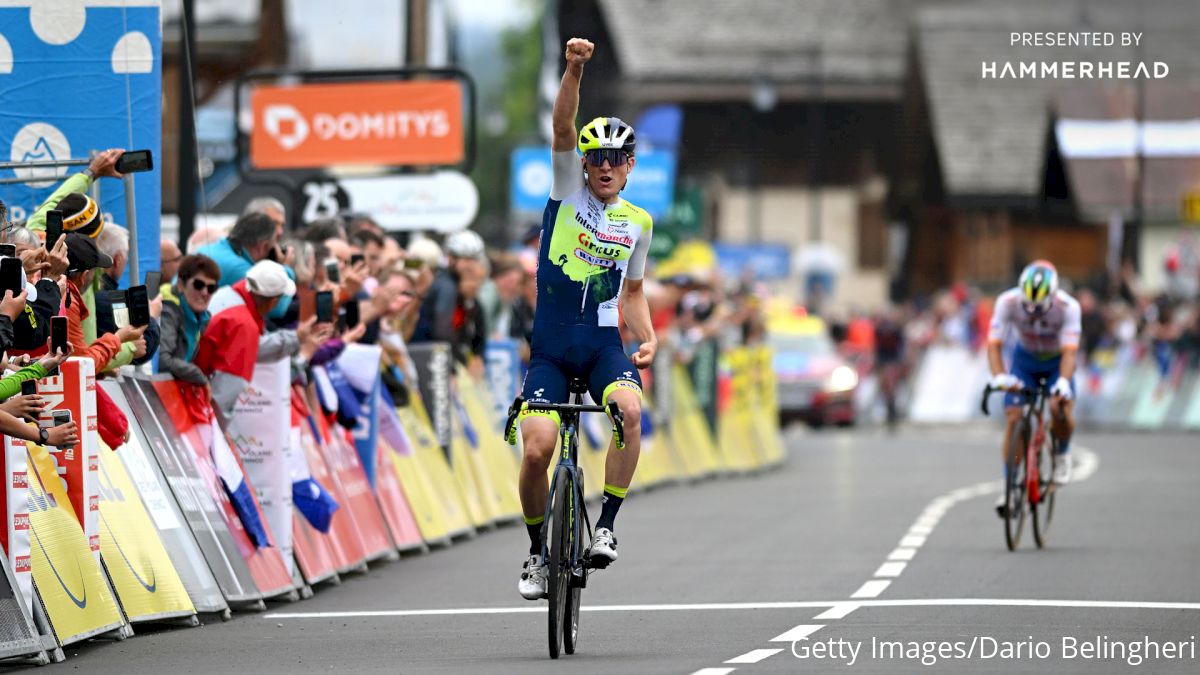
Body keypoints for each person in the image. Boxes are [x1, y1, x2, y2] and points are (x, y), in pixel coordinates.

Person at [516, 38, 656, 601]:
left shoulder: (639, 222)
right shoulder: (565, 191)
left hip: (602, 347)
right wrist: (574, 68)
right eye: (594, 157)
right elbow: (561, 125)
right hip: (550, 349)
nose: (602, 167)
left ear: (628, 166)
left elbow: (636, 290)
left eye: (613, 159)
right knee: (536, 449)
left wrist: (648, 338)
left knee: (628, 408)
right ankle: (534, 556)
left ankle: (606, 527)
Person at [986, 260, 1080, 517]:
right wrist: (1000, 377)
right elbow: (994, 344)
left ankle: (1062, 452)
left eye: (1039, 306)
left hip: (1056, 362)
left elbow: (1070, 352)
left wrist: (1062, 382)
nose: (1033, 311)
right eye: (1028, 305)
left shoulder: (1068, 307)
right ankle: (1011, 488)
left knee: (1057, 406)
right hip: (1024, 362)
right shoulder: (1007, 302)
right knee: (1015, 418)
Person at [410, 230, 485, 344]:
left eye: (474, 259)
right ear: (451, 258)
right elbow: (442, 332)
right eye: (466, 259)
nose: (470, 265)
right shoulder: (446, 286)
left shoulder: (458, 284)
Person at [159, 254, 219, 384]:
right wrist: (198, 376)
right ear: (181, 284)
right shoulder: (167, 310)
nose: (204, 293)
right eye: (198, 285)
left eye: (211, 288)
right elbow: (162, 360)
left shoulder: (202, 318)